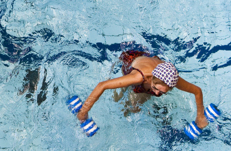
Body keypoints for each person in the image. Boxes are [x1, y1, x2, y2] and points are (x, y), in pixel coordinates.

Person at [76, 50, 209, 132]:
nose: (157, 94)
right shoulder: (138, 77)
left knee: (134, 109)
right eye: (156, 89)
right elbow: (102, 86)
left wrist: (200, 116)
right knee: (118, 102)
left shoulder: (172, 79)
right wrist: (83, 112)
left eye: (163, 92)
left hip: (151, 62)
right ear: (152, 79)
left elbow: (197, 91)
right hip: (132, 62)